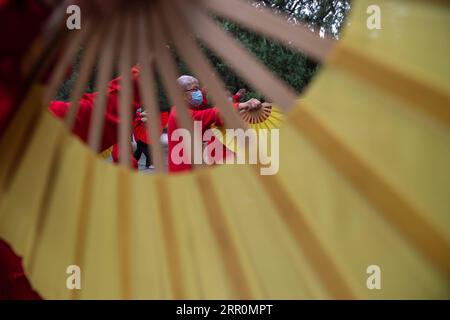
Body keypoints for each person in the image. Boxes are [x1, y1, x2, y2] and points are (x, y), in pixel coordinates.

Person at [167, 75, 261, 173]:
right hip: (183, 171)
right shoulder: (179, 113)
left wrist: (206, 87)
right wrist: (244, 105)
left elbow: (202, 105)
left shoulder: (189, 108)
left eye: (198, 89)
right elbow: (210, 114)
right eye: (195, 90)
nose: (198, 93)